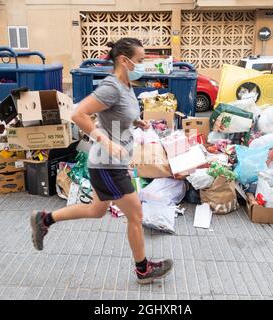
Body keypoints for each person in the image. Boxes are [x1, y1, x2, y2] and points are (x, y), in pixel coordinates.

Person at [30, 38, 173, 285]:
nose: (142, 65)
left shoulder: (127, 86)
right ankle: (143, 270)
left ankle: (45, 219)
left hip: (112, 163)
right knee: (136, 216)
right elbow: (78, 113)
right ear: (124, 60)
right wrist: (105, 141)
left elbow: (116, 116)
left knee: (96, 210)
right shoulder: (111, 87)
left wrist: (136, 122)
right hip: (107, 164)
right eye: (139, 61)